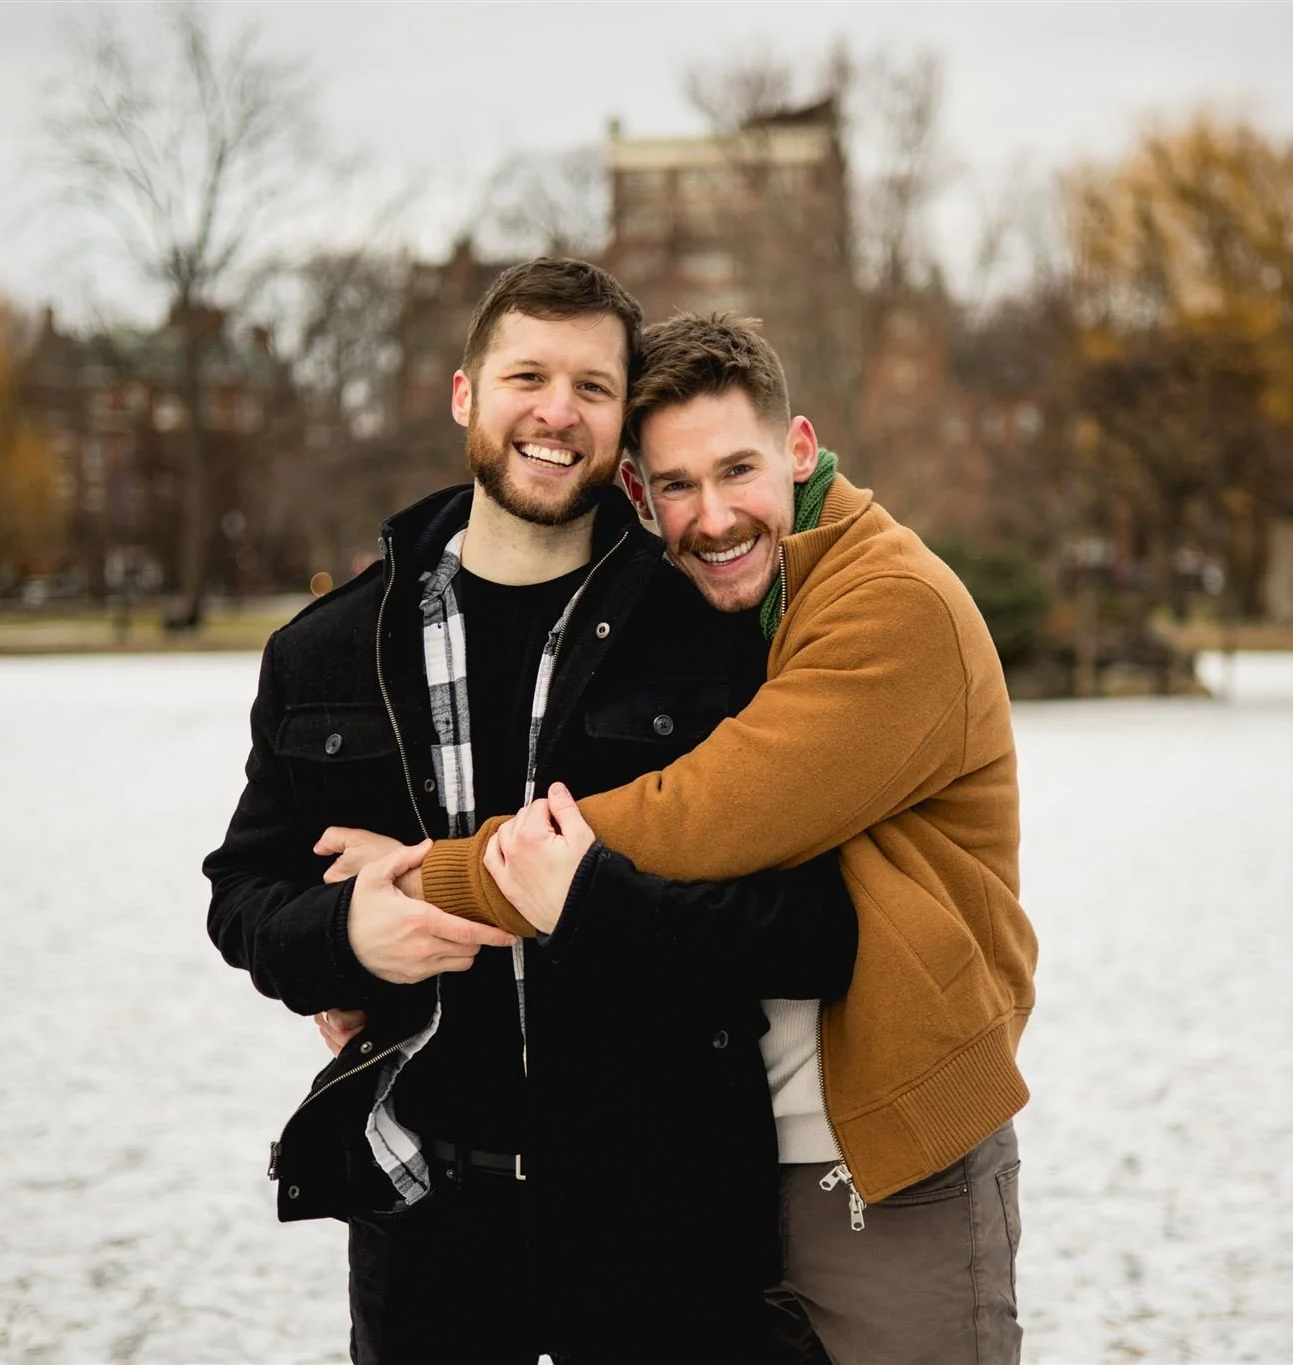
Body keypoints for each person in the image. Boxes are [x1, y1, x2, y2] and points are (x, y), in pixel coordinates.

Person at [343, 312, 1038, 1364]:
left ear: (799, 451)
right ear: (638, 494)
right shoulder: (718, 611)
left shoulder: (889, 605)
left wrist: (430, 881)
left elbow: (703, 812)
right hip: (730, 1163)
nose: (711, 516)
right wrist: (347, 944)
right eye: (674, 485)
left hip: (888, 1155)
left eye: (738, 471)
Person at [204, 260, 857, 1363]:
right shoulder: (327, 652)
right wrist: (346, 938)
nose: (556, 411)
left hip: (668, 1230)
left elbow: (811, 927)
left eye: (593, 388)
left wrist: (581, 901)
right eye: (526, 376)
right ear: (465, 396)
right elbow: (242, 900)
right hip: (426, 1232)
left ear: (623, 430)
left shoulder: (709, 639)